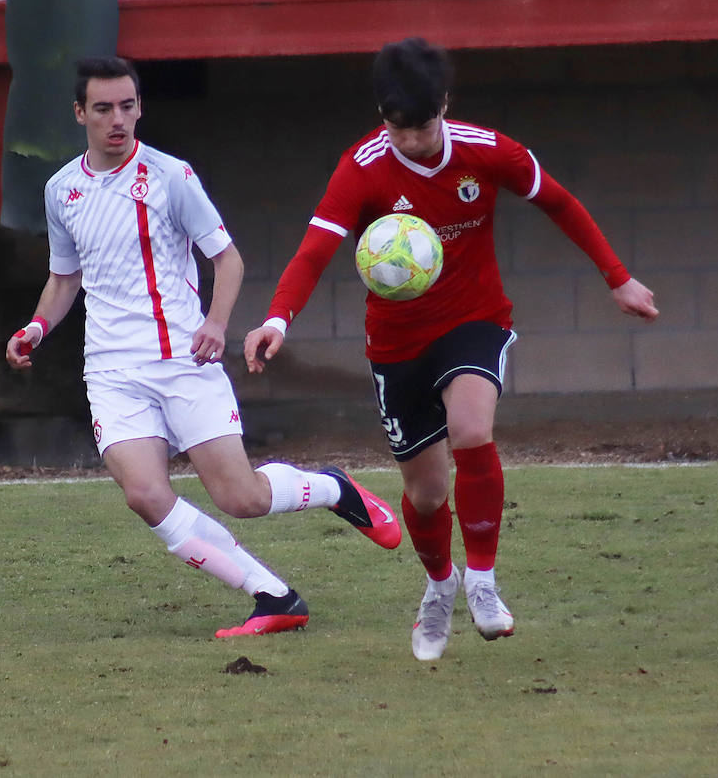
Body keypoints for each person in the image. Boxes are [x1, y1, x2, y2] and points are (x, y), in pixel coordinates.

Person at [243, 37, 659, 661]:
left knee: (471, 430)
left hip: (473, 320)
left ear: (445, 103)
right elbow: (314, 249)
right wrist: (277, 317)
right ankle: (441, 586)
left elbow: (559, 202)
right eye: (397, 128)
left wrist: (617, 276)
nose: (411, 141)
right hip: (396, 343)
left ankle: (484, 581)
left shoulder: (489, 151)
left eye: (422, 125)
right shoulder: (362, 166)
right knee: (428, 493)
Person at [5, 55, 400, 639]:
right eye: (105, 108)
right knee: (144, 495)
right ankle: (272, 595)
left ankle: (334, 488)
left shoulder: (171, 177)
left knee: (241, 498)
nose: (119, 119)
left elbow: (227, 259)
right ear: (80, 113)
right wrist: (36, 327)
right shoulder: (61, 190)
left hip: (184, 363)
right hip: (111, 373)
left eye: (128, 106)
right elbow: (66, 278)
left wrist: (215, 324)